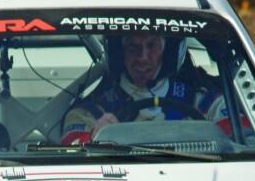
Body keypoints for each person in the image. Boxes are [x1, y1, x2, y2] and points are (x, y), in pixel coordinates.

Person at [60, 34, 228, 145]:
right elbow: (70, 151)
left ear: (168, 52)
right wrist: (92, 138)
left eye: (152, 45)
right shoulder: (90, 112)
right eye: (133, 47)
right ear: (119, 53)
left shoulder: (203, 101)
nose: (143, 57)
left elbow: (242, 140)